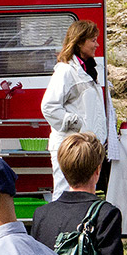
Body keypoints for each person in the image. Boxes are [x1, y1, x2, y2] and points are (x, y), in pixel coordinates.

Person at [41, 20, 113, 200]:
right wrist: (76, 123)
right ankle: (59, 227)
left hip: (86, 148)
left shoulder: (89, 70)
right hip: (69, 147)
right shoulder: (65, 70)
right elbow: (48, 106)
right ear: (80, 42)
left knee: (84, 195)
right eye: (93, 40)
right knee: (64, 194)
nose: (97, 44)